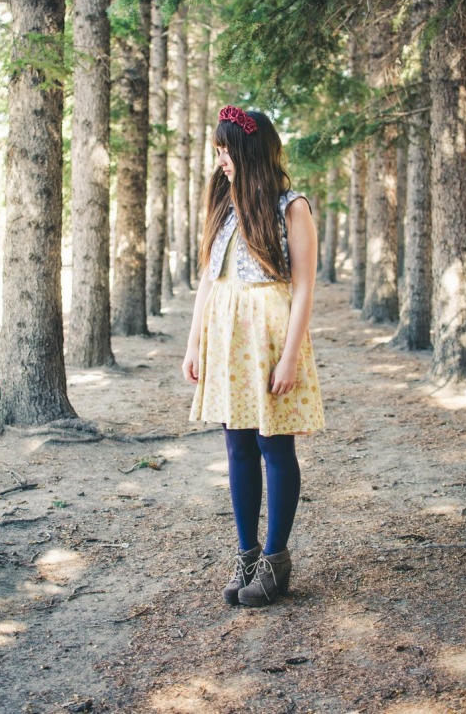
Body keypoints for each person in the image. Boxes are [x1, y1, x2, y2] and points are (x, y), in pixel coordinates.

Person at [182, 105, 324, 608]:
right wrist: (194, 340)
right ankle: (245, 554)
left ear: (248, 150)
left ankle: (275, 559)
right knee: (237, 446)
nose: (221, 159)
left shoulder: (293, 207)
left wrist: (289, 358)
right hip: (227, 340)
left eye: (226, 149)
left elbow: (304, 289)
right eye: (218, 150)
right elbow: (209, 280)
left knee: (274, 447)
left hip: (269, 340)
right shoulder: (224, 209)